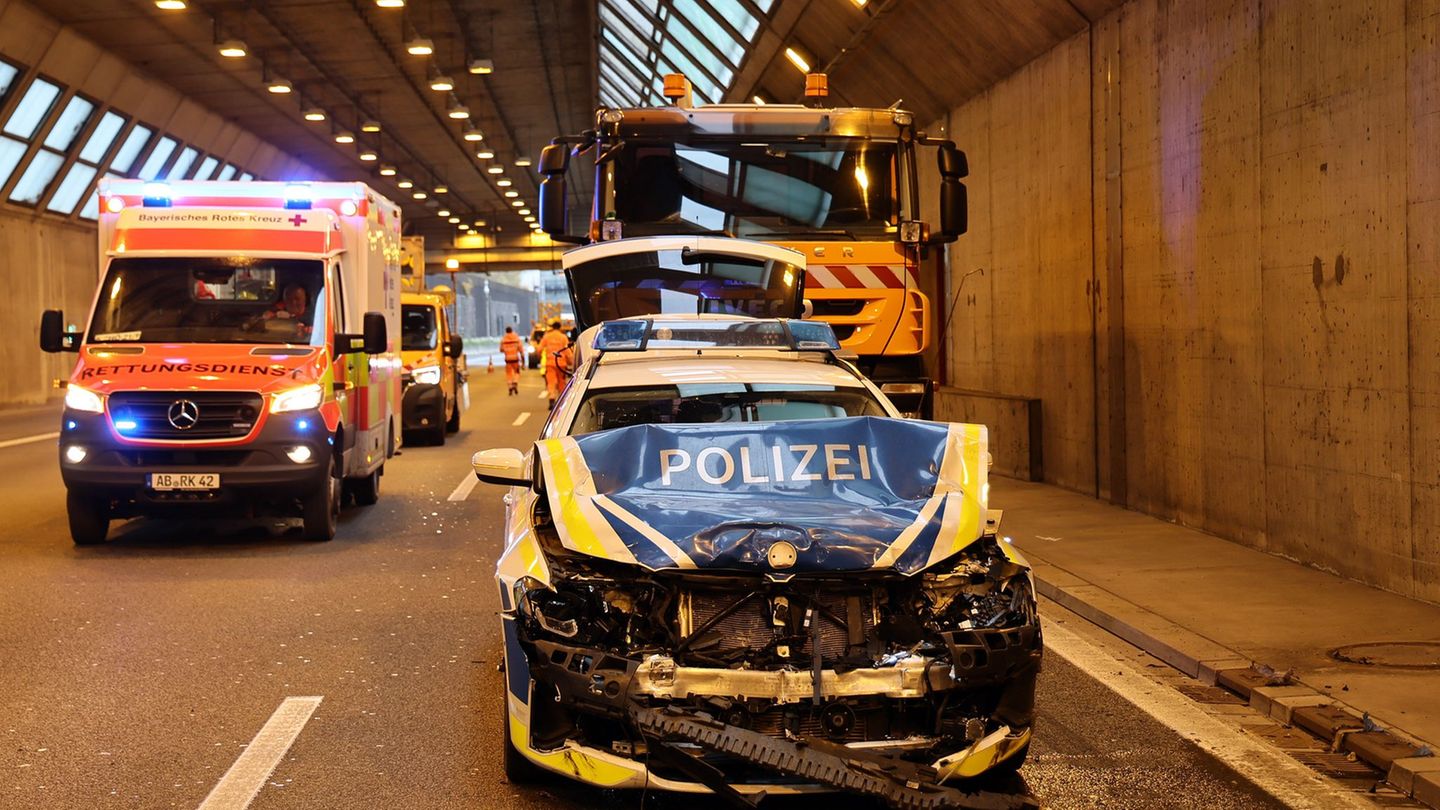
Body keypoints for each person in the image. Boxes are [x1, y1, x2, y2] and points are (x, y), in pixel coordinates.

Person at [538, 319, 571, 409]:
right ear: (560, 328)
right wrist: (571, 361)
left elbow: (539, 349)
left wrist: (540, 356)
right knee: (562, 383)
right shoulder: (563, 337)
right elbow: (567, 350)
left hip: (550, 363)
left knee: (551, 382)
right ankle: (562, 402)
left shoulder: (547, 336)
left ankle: (552, 400)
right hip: (561, 364)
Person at [499, 325, 523, 396]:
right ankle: (515, 382)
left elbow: (501, 350)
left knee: (509, 374)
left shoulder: (503, 339)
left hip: (507, 360)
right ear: (511, 330)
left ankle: (510, 386)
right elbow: (520, 349)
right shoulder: (516, 338)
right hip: (515, 359)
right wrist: (522, 358)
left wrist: (507, 350)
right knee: (517, 372)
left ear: (506, 331)